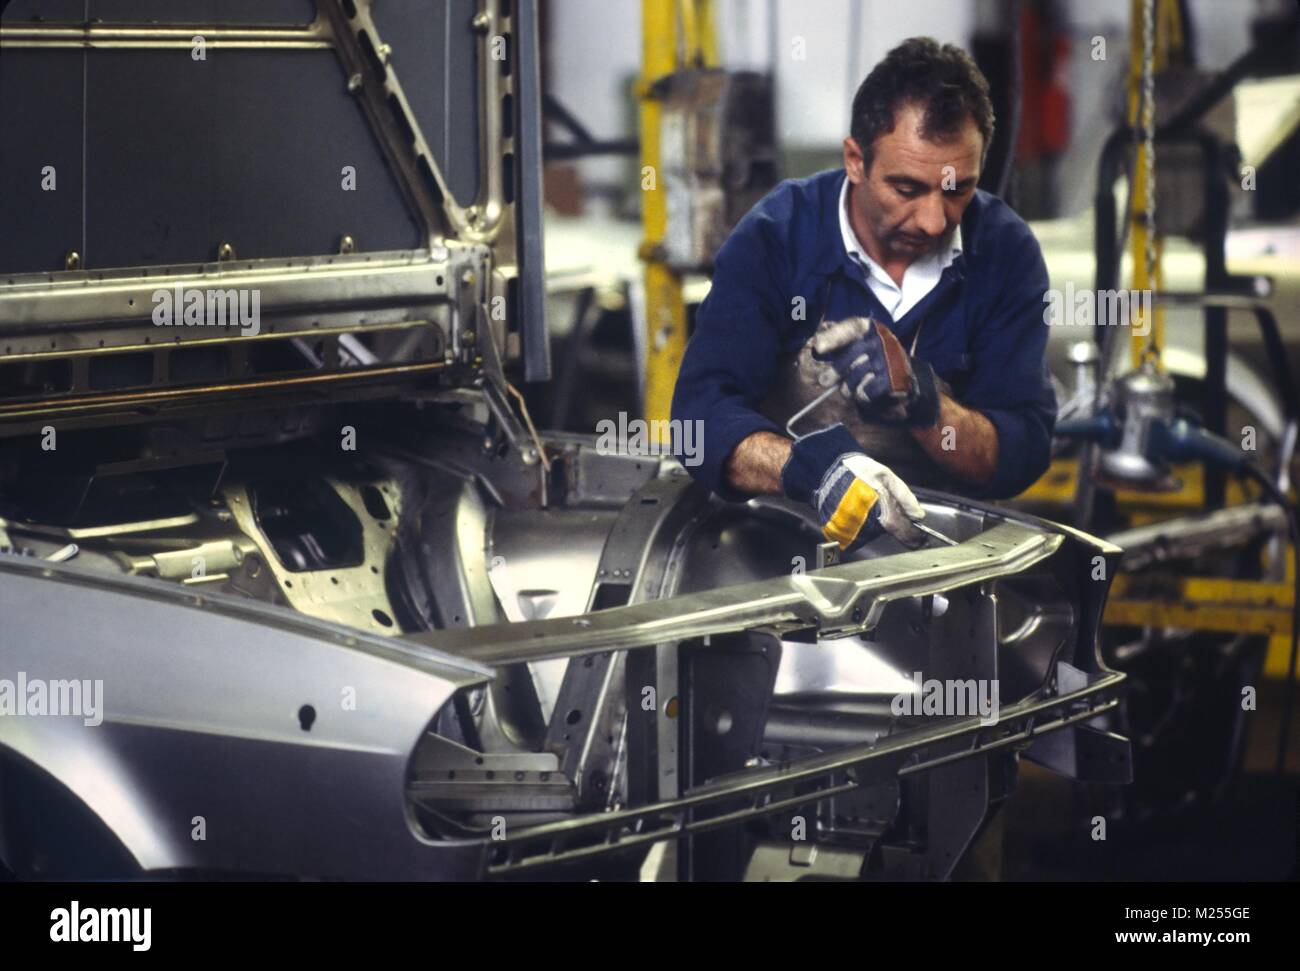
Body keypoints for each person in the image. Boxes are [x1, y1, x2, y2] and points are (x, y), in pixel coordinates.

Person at [671, 37, 1056, 551]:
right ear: (855, 159)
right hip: (782, 549)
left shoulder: (1005, 251)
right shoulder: (777, 236)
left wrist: (928, 407)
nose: (934, 220)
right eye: (906, 188)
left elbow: (1022, 450)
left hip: (939, 553)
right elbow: (698, 418)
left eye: (958, 189)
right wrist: (807, 471)